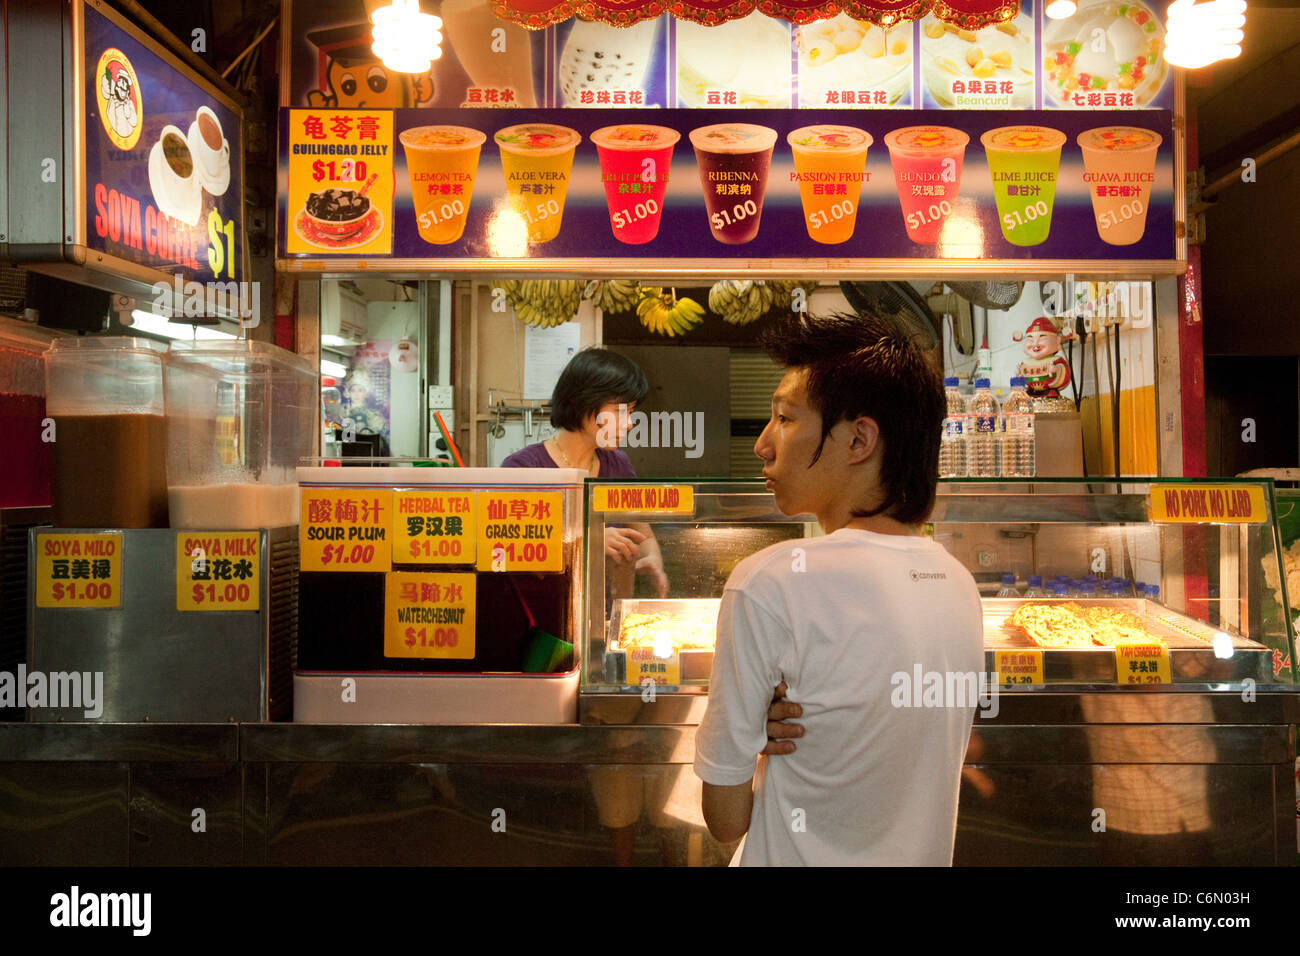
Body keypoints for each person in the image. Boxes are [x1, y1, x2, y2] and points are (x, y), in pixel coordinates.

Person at [693, 311, 984, 866]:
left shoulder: (769, 583)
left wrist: (753, 734)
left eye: (783, 417)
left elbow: (726, 821)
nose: (762, 445)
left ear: (858, 439)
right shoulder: (959, 584)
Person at [502, 347, 667, 594]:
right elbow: (506, 552)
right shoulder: (523, 467)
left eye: (630, 412)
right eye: (620, 411)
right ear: (583, 403)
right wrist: (588, 540)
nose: (630, 423)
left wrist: (652, 558)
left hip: (603, 614)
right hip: (545, 618)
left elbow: (644, 535)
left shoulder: (619, 464)